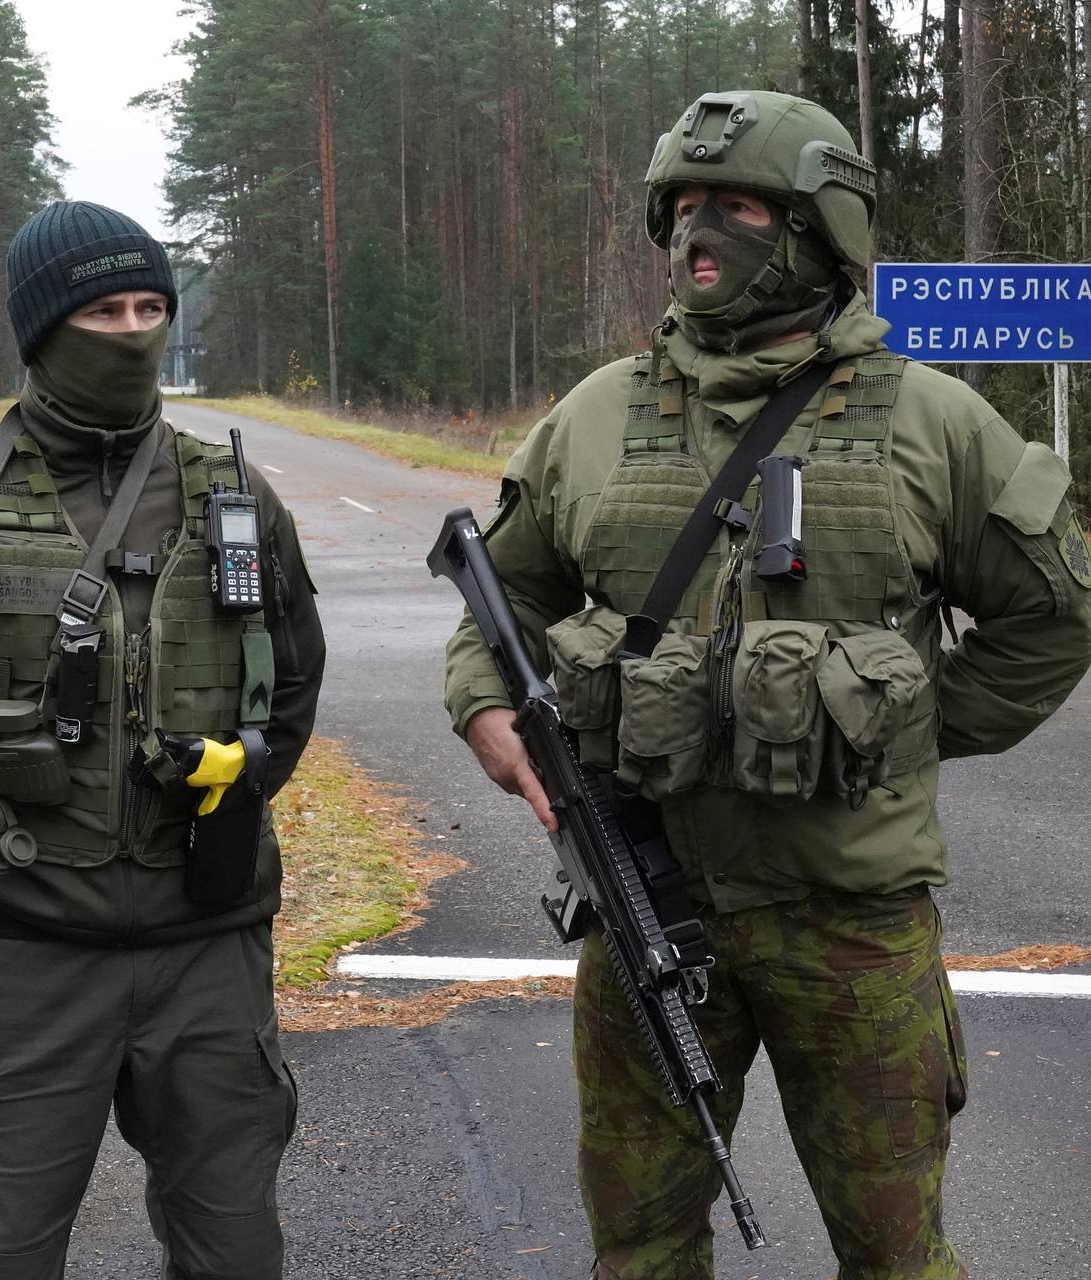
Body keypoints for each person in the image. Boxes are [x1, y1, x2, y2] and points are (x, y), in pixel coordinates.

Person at [442, 91, 1091, 1280]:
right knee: (637, 1246)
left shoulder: (931, 422)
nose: (701, 232)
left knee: (895, 1251)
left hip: (849, 921)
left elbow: (1052, 613)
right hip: (644, 892)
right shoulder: (593, 417)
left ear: (815, 231)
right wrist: (484, 703)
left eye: (736, 205)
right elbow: (504, 598)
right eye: (683, 206)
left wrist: (902, 724)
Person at [0, 201, 325, 1279]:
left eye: (153, 304)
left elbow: (289, 684)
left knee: (233, 1248)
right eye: (105, 308)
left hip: (209, 946)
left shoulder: (236, 497)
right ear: (45, 329)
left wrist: (234, 785)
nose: (135, 328)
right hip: (23, 958)